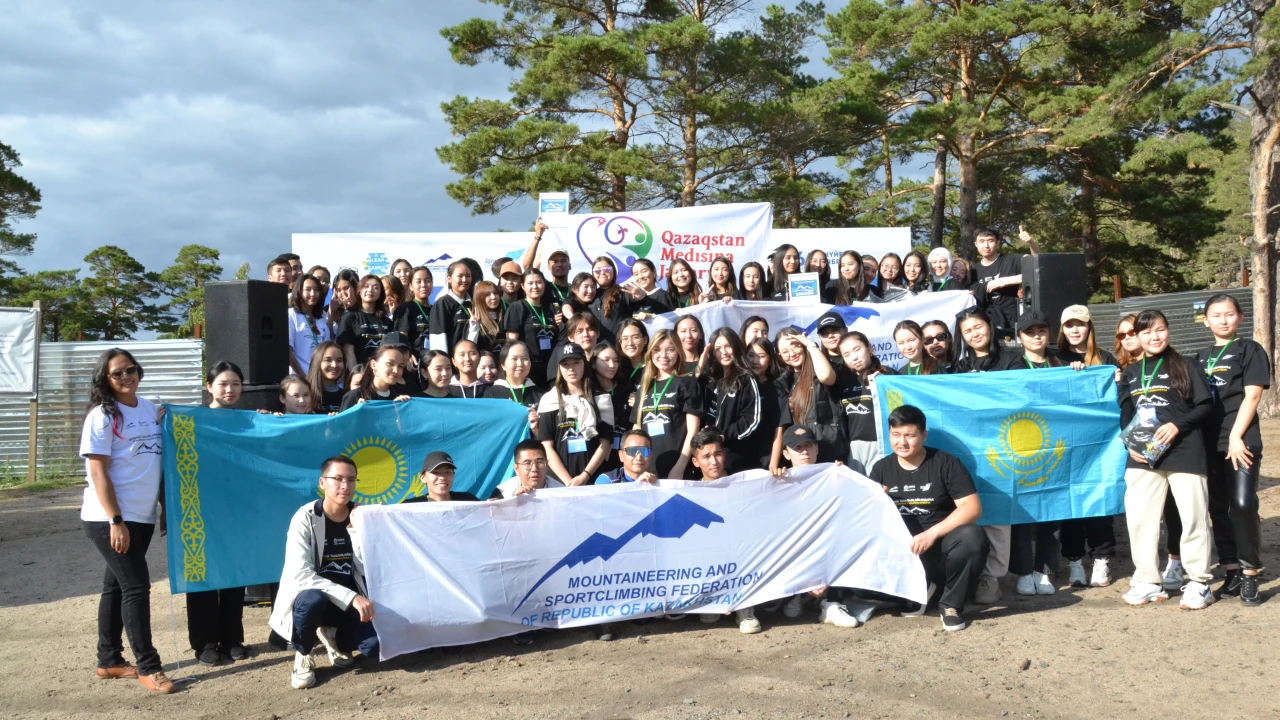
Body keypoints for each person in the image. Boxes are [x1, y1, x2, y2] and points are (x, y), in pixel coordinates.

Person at [79, 349, 174, 693]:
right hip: (109, 517)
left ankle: (109, 660)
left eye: (130, 370)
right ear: (105, 379)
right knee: (136, 587)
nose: (126, 377)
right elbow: (98, 472)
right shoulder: (102, 416)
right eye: (117, 373)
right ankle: (149, 666)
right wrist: (114, 520)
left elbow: (159, 463)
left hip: (142, 515)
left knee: (116, 586)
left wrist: (164, 506)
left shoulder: (151, 409)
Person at [1117, 309, 1215, 609]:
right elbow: (1126, 414)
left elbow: (1205, 405)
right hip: (1143, 457)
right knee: (1140, 520)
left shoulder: (1186, 364)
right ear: (1136, 337)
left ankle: (1198, 581)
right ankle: (1148, 581)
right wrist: (1130, 443)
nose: (1154, 336)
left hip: (1184, 451)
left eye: (1159, 330)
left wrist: (1178, 425)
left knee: (1193, 518)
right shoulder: (1132, 373)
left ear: (1167, 330)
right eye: (1146, 332)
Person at [871, 405, 989, 631]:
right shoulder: (881, 468)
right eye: (896, 435)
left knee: (973, 537)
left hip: (939, 548)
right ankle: (922, 590)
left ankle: (951, 604)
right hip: (902, 552)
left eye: (910, 435)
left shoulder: (946, 463)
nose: (902, 442)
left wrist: (932, 533)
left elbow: (972, 508)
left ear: (923, 435)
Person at [270, 456, 378, 689]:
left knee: (373, 646)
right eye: (337, 479)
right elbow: (302, 575)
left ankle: (334, 637)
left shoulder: (360, 515)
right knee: (312, 599)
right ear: (322, 482)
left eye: (350, 480)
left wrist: (357, 530)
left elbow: (369, 567)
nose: (345, 486)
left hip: (346, 606)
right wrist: (352, 597)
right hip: (318, 599)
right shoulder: (305, 517)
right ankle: (303, 653)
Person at [1194, 294, 1270, 605]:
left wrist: (1237, 435)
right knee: (1217, 508)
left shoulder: (1249, 349)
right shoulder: (1199, 357)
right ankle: (1232, 570)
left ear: (1239, 317)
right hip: (1207, 444)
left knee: (1242, 504)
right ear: (1206, 320)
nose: (1223, 320)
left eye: (1229, 314)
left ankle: (1251, 571)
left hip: (1241, 440)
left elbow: (1252, 397)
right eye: (1216, 315)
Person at [768, 425, 864, 629]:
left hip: (826, 551)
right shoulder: (778, 481)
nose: (804, 451)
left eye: (809, 446)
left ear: (817, 449)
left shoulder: (835, 475)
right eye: (797, 447)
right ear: (785, 453)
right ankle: (796, 594)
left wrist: (842, 478)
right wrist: (774, 480)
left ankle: (831, 602)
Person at [996, 312, 1063, 597]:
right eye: (1030, 332)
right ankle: (1023, 572)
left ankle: (1043, 571)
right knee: (1021, 513)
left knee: (1053, 511)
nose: (1037, 336)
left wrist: (1079, 371)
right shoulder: (1011, 365)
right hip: (1021, 447)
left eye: (1042, 330)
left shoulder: (1060, 362)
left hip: (1056, 446)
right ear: (1019, 336)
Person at [187, 361, 248, 666]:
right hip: (199, 510)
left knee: (235, 576)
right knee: (203, 575)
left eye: (236, 384)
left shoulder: (249, 422)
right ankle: (205, 642)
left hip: (237, 509)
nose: (230, 389)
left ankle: (232, 638)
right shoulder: (192, 420)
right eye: (223, 383)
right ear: (209, 387)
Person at [1055, 305, 1118, 589]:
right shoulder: (1055, 359)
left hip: (1099, 445)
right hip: (1064, 445)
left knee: (1099, 503)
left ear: (1090, 327)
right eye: (1069, 325)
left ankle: (1102, 559)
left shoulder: (1105, 359)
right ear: (1062, 329)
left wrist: (1116, 379)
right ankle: (1074, 562)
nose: (1075, 330)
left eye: (1080, 324)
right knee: (1070, 506)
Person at [687, 428, 763, 634]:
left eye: (717, 454)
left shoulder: (744, 486)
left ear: (724, 455)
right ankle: (711, 600)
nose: (714, 461)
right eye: (706, 456)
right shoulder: (688, 491)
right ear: (696, 462)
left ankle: (745, 607)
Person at [633, 330, 703, 479]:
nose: (663, 355)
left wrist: (680, 467)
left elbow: (693, 431)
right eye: (657, 349)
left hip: (678, 468)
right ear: (651, 353)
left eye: (670, 350)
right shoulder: (645, 386)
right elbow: (637, 430)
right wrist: (637, 468)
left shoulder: (687, 383)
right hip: (647, 469)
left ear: (678, 352)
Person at [538, 343, 611, 486]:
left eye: (576, 363)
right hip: (558, 482)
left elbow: (605, 443)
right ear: (559, 368)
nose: (571, 369)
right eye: (565, 364)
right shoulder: (549, 400)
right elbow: (546, 446)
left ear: (584, 364)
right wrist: (568, 482)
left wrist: (584, 476)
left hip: (593, 479)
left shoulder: (601, 399)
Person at [776, 327, 847, 463]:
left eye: (795, 346)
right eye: (785, 351)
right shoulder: (784, 382)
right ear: (779, 356)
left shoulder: (820, 367)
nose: (792, 353)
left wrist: (810, 345)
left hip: (830, 449)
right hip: (802, 452)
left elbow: (826, 376)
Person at [698, 328, 762, 473]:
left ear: (736, 347)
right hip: (709, 459)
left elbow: (751, 419)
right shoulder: (709, 379)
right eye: (718, 348)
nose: (724, 352)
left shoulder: (746, 378)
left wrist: (723, 436)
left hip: (737, 458)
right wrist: (700, 368)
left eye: (728, 346)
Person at [837, 331, 893, 473]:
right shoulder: (842, 381)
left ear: (869, 347)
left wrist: (884, 384)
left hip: (882, 443)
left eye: (857, 349)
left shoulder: (887, 375)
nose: (854, 357)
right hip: (854, 449)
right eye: (847, 354)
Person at [967, 227, 1036, 339]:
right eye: (982, 241)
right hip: (985, 324)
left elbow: (1036, 263)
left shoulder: (1011, 260)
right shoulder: (973, 270)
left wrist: (1030, 243)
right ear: (976, 244)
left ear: (998, 242)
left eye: (990, 241)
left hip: (1011, 321)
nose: (986, 245)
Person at [504, 268, 562, 383]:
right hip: (528, 367)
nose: (535, 286)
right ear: (523, 286)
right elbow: (511, 342)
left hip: (550, 366)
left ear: (544, 284)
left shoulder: (549, 309)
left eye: (539, 282)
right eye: (530, 283)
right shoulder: (517, 307)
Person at [747, 337, 787, 472]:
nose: (755, 361)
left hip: (767, 457)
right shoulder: (739, 385)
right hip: (742, 456)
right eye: (751, 355)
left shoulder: (777, 388)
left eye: (761, 356)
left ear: (770, 360)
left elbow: (779, 428)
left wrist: (773, 463)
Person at [336, 274, 389, 369]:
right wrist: (356, 375)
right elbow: (348, 351)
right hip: (360, 373)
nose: (370, 290)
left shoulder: (386, 321)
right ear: (359, 291)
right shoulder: (349, 318)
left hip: (382, 374)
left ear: (381, 293)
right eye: (366, 286)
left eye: (376, 287)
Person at [338, 344, 413, 411]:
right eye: (390, 364)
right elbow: (340, 425)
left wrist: (398, 411)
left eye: (400, 366)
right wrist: (356, 413)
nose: (396, 370)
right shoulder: (354, 396)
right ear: (373, 365)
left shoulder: (398, 398)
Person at [288, 274, 333, 377]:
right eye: (308, 289)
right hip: (299, 380)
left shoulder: (321, 318)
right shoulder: (291, 315)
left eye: (316, 290)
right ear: (299, 291)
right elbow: (288, 354)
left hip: (320, 380)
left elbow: (327, 350)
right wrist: (304, 378)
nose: (313, 294)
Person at [403, 451, 489, 503]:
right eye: (436, 472)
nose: (442, 477)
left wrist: (493, 508)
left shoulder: (468, 500)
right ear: (423, 478)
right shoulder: (409, 507)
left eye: (447, 472)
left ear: (453, 475)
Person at [429, 260, 475, 353]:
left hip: (470, 359)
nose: (465, 280)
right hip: (450, 361)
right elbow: (438, 337)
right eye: (460, 276)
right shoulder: (442, 304)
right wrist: (443, 362)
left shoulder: (474, 303)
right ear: (448, 278)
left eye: (468, 276)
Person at [496, 438, 566, 498]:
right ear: (516, 469)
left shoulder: (563, 493)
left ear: (547, 465)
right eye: (527, 463)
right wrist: (514, 502)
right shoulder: (502, 494)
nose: (534, 469)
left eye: (539, 462)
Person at [392, 266, 433, 361]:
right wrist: (408, 355)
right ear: (410, 286)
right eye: (418, 282)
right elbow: (402, 338)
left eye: (427, 281)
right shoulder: (405, 309)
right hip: (413, 362)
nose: (423, 285)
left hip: (433, 360)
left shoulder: (436, 309)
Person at [952, 309, 1007, 374]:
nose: (975, 334)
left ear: (989, 325)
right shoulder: (961, 367)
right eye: (968, 331)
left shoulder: (1011, 360)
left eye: (978, 327)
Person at [596, 429, 661, 484]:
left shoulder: (658, 484)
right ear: (621, 455)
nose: (638, 457)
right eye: (632, 451)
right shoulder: (607, 481)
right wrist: (637, 486)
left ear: (651, 455)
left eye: (644, 451)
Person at [307, 341, 349, 414]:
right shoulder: (305, 394)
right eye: (328, 360)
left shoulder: (347, 396)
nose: (334, 365)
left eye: (339, 360)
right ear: (316, 362)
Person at [471, 280, 505, 355]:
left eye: (495, 293)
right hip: (485, 365)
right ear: (479, 298)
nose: (493, 297)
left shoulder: (505, 317)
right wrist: (474, 327)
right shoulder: (475, 322)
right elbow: (470, 348)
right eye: (487, 295)